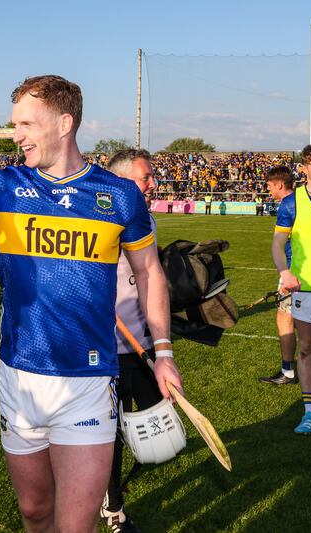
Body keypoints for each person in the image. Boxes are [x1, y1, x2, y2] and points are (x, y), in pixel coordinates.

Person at [0, 75, 182, 532]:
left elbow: (150, 272)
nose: (17, 135)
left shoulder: (118, 195)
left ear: (64, 123)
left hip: (88, 383)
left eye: (27, 124)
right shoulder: (2, 186)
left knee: (75, 527)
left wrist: (165, 352)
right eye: (15, 124)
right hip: (18, 375)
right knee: (35, 512)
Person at [103, 149, 170, 532]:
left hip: (139, 344)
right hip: (104, 349)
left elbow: (149, 279)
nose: (152, 184)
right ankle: (114, 509)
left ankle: (106, 486)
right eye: (146, 178)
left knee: (155, 432)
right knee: (108, 433)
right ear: (124, 180)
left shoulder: (145, 220)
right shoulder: (96, 221)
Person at [273, 145, 311, 434]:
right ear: (305, 168)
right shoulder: (292, 204)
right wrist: (284, 271)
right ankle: (310, 412)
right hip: (306, 287)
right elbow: (277, 244)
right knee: (308, 348)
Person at [259, 166, 297, 385]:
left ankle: (287, 372)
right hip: (302, 268)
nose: (268, 189)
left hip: (293, 269)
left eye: (270, 185)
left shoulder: (288, 204)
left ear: (280, 185)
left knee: (286, 318)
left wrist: (285, 275)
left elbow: (280, 243)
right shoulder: (304, 200)